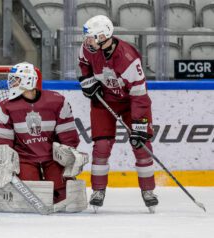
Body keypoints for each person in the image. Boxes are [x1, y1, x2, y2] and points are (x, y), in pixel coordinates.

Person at [78, 15, 158, 212]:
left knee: (142, 146)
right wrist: (87, 82)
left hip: (133, 103)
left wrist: (139, 125)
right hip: (104, 101)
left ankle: (148, 191)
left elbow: (139, 95)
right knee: (102, 146)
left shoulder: (128, 58)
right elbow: (84, 66)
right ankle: (98, 190)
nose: (87, 41)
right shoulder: (88, 50)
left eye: (91, 37)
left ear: (103, 36)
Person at [0, 62, 89, 213]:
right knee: (30, 196)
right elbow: (0, 140)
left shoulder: (56, 101)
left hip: (52, 157)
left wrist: (69, 154)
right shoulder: (5, 106)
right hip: (25, 157)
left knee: (62, 195)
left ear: (27, 81)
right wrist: (3, 161)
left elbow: (67, 134)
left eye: (15, 79)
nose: (11, 83)